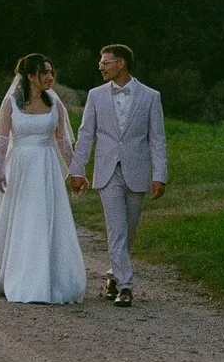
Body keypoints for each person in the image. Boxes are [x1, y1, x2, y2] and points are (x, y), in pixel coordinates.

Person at [0, 53, 87, 304]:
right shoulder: (11, 103)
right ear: (30, 76)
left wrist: (75, 170)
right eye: (44, 72)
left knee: (46, 218)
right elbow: (2, 141)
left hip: (46, 167)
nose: (49, 77)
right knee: (24, 219)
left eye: (51, 72)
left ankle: (49, 277)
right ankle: (22, 276)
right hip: (21, 167)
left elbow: (62, 140)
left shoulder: (54, 103)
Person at [68, 41, 167, 307]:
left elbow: (157, 139)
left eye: (105, 62)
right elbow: (86, 134)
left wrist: (160, 175)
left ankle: (113, 275)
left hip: (137, 171)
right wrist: (77, 170)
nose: (100, 66)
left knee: (129, 230)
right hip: (107, 170)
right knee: (117, 229)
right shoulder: (96, 95)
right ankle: (126, 286)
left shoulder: (150, 97)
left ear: (121, 63)